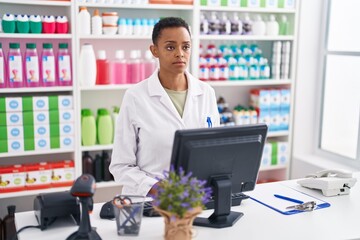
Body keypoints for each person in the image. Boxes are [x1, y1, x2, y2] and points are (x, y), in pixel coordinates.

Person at [110, 17, 220, 197]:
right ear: (155, 50)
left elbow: (214, 152)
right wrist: (155, 188)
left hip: (195, 198)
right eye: (170, 47)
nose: (180, 53)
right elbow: (120, 166)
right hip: (149, 202)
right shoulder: (136, 97)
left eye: (185, 46)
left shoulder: (206, 92)